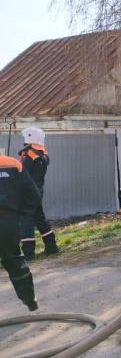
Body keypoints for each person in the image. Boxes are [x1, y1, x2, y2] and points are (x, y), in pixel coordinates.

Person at [0, 148, 41, 311]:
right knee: (15, 260)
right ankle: (30, 300)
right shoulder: (14, 163)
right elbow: (33, 194)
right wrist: (22, 214)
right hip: (9, 221)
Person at [18, 127, 59, 260]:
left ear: (29, 138)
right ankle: (51, 246)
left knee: (25, 221)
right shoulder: (42, 155)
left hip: (27, 193)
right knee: (39, 219)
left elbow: (22, 174)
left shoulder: (29, 155)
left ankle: (29, 253)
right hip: (37, 192)